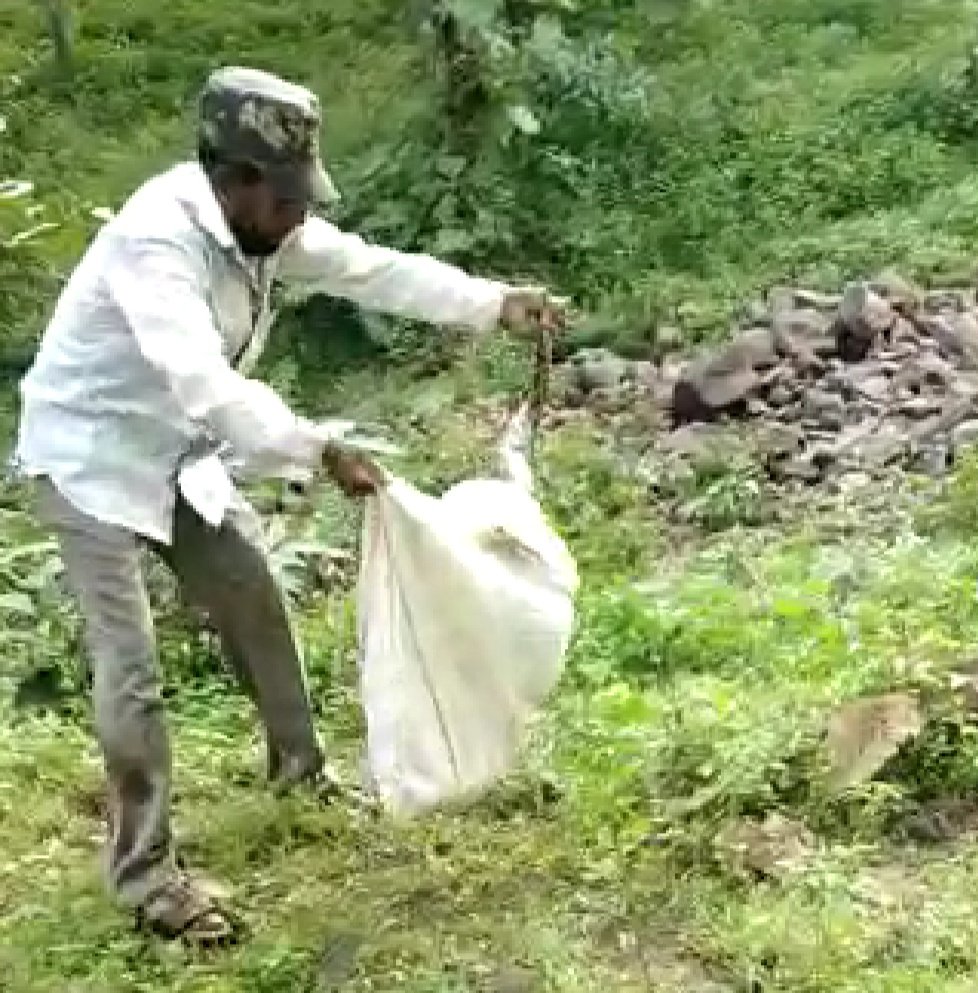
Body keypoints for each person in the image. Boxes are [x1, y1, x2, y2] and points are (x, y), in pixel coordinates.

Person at [13, 65, 566, 945]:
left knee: (254, 600)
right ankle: (147, 876)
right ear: (235, 181)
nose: (299, 216)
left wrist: (494, 304)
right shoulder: (158, 245)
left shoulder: (260, 232)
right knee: (133, 670)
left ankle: (300, 774)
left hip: (176, 457)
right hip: (89, 462)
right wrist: (316, 448)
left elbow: (372, 270)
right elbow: (201, 382)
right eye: (285, 197)